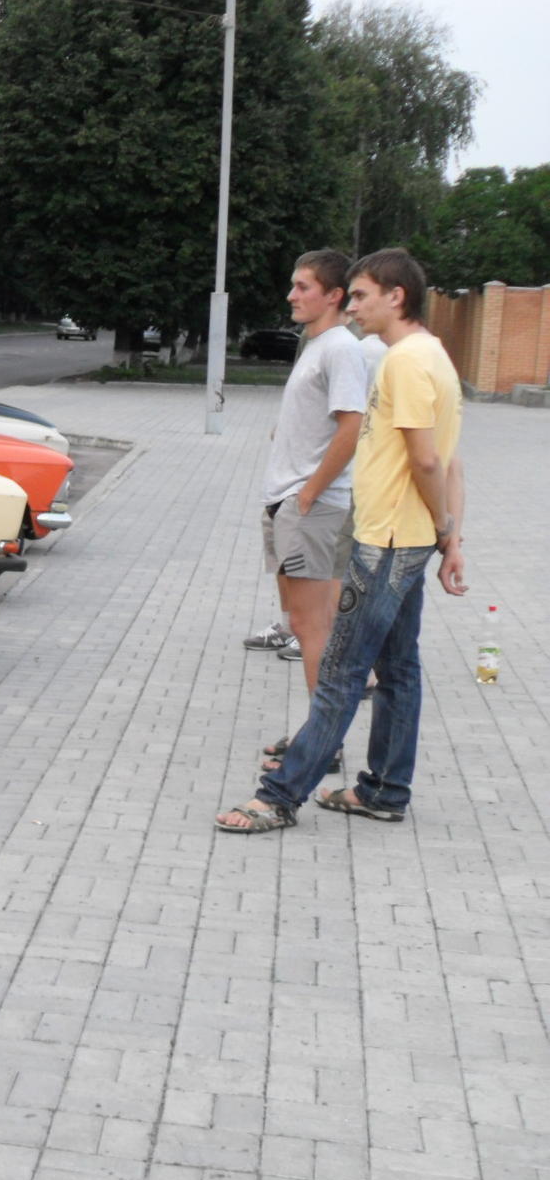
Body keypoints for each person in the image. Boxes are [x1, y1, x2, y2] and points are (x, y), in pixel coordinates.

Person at [215, 248, 466, 833]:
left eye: (360, 295)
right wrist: (450, 538)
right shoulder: (435, 355)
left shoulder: (406, 362)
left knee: (341, 673)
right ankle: (384, 790)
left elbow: (429, 461)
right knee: (398, 670)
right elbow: (453, 460)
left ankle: (279, 797)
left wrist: (444, 529)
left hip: (386, 541)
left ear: (396, 296)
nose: (351, 307)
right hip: (408, 539)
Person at [253, 249, 367, 768]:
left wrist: (308, 493)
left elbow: (352, 425)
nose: (291, 295)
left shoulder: (341, 348)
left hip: (310, 507)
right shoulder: (318, 344)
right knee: (305, 625)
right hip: (290, 502)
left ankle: (323, 745)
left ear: (334, 295)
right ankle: (318, 735)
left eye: (303, 287)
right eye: (293, 285)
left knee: (313, 626)